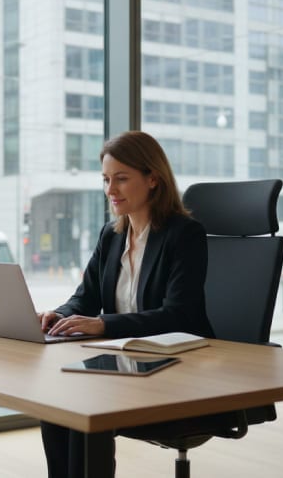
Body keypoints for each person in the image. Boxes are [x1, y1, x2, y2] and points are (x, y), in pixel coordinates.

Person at [38, 130, 213, 478]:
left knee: (83, 401)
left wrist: (104, 325)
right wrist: (59, 316)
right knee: (57, 399)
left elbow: (179, 314)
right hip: (124, 364)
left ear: (152, 179)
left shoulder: (184, 235)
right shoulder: (112, 235)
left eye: (121, 179)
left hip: (176, 367)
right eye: (105, 179)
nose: (110, 190)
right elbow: (84, 298)